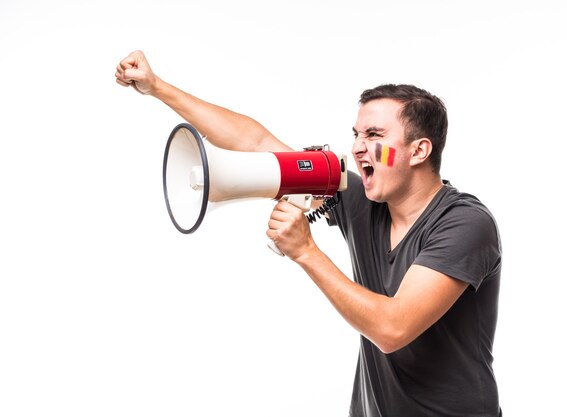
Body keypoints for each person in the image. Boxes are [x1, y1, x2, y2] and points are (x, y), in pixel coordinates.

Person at [115, 50, 502, 417]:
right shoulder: (362, 201)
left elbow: (392, 328)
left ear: (419, 151)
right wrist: (157, 86)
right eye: (356, 134)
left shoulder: (465, 224)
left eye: (374, 135)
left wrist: (306, 252)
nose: (357, 148)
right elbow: (256, 145)